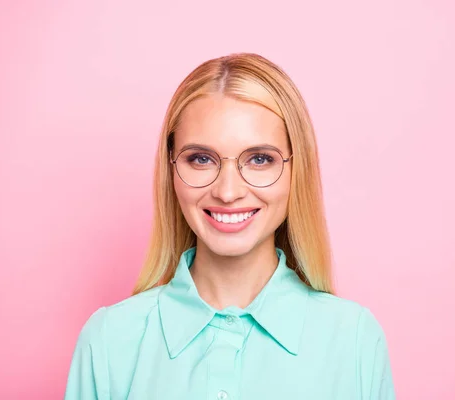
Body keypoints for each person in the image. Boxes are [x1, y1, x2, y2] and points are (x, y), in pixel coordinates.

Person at [64, 53, 396, 399]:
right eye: (201, 159)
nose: (227, 191)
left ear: (298, 171)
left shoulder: (354, 340)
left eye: (259, 159)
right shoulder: (108, 342)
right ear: (172, 170)